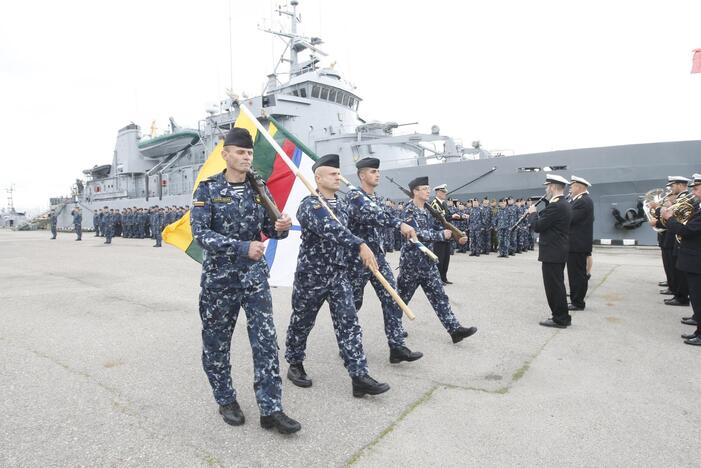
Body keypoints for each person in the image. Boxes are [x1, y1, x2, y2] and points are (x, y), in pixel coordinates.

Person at [190, 127, 300, 434]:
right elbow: (201, 235)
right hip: (220, 281)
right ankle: (226, 399)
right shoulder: (207, 189)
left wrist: (281, 226)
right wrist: (241, 247)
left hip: (254, 279)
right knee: (216, 343)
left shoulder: (258, 188)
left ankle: (271, 408)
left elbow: (270, 229)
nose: (246, 157)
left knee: (265, 342)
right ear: (226, 155)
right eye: (240, 152)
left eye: (249, 152)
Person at [285, 153, 390, 398]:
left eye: (339, 173)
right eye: (333, 174)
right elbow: (332, 230)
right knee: (302, 322)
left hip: (339, 276)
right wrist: (360, 244)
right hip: (312, 277)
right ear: (318, 177)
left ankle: (359, 375)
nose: (338, 178)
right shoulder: (309, 205)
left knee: (349, 324)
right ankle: (295, 363)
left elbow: (353, 227)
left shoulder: (342, 206)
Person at [346, 157, 422, 363]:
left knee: (392, 298)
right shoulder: (355, 197)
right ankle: (347, 343)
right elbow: (375, 215)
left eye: (378, 171)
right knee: (352, 305)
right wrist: (399, 224)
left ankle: (396, 346)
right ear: (362, 175)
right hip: (357, 261)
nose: (377, 174)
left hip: (378, 258)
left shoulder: (377, 198)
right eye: (372, 171)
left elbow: (381, 213)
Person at [397, 176, 477, 343]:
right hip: (412, 264)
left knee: (440, 296)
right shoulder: (408, 210)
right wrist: (441, 234)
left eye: (428, 188)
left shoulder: (426, 210)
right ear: (415, 192)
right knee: (401, 299)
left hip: (428, 261)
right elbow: (415, 234)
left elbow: (437, 228)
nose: (428, 191)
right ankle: (394, 328)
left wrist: (456, 236)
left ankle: (454, 330)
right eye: (425, 188)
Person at [527, 174, 573, 328]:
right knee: (558, 285)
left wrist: (532, 212)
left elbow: (538, 226)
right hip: (558, 250)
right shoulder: (563, 203)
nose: (546, 189)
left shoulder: (556, 205)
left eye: (548, 186)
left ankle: (559, 318)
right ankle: (563, 316)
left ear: (553, 187)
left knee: (554, 287)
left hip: (552, 252)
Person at [662, 173, 701, 345]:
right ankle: (699, 331)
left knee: (698, 298)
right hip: (693, 260)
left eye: (697, 188)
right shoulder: (698, 206)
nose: (694, 192)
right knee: (696, 298)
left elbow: (686, 231)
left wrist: (669, 218)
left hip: (697, 261)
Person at [566, 176, 594, 311]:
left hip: (577, 244)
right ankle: (575, 297)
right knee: (576, 273)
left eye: (572, 186)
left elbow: (570, 218)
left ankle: (578, 302)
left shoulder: (582, 201)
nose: (570, 189)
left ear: (578, 187)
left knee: (577, 274)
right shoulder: (582, 200)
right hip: (578, 243)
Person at [430, 184, 454, 284]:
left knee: (446, 258)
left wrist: (455, 216)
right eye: (443, 192)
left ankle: (444, 277)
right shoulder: (434, 203)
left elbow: (447, 216)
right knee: (439, 257)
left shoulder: (443, 203)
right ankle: (438, 279)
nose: (445, 194)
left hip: (446, 234)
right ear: (438, 192)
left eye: (445, 192)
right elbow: (439, 219)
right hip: (439, 234)